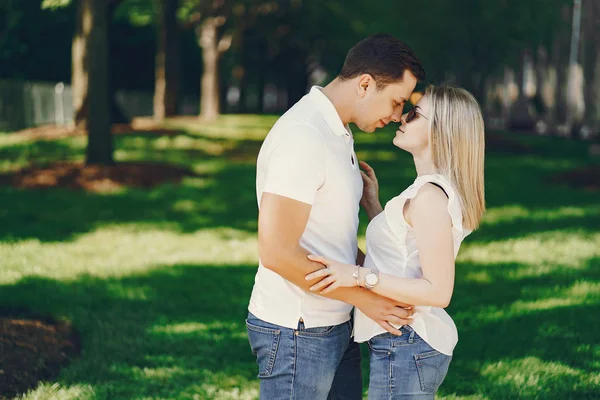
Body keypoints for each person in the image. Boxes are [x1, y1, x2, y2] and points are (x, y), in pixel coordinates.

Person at [246, 34, 426, 399]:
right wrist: (365, 298)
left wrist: (376, 285)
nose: (395, 116)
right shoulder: (305, 135)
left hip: (335, 321)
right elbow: (277, 252)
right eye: (395, 101)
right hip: (298, 330)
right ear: (365, 84)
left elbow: (332, 240)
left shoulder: (337, 130)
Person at [306, 85, 486, 399]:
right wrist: (374, 206)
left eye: (415, 114)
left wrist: (358, 276)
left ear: (439, 131)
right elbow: (403, 252)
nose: (402, 116)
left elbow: (438, 291)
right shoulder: (426, 190)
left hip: (407, 341)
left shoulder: (430, 197)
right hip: (402, 342)